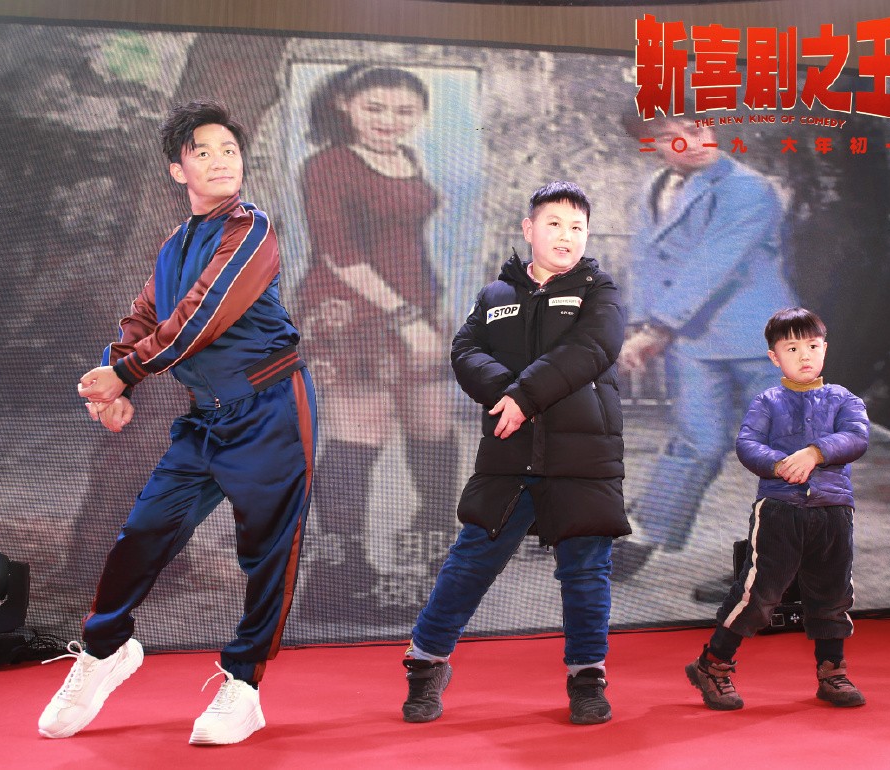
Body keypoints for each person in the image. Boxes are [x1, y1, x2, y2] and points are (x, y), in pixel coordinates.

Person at [37, 100, 317, 746]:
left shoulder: (251, 229)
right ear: (176, 169)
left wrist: (127, 374)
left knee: (268, 553)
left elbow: (201, 316)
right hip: (205, 419)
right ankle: (105, 649)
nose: (221, 162)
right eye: (203, 152)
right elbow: (144, 316)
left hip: (271, 409)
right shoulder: (174, 245)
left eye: (230, 150)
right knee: (143, 533)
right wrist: (111, 381)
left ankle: (243, 686)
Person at [400, 181, 630, 726]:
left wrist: (523, 397)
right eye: (554, 224)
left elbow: (592, 348)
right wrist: (510, 395)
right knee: (469, 562)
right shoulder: (494, 295)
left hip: (585, 455)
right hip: (509, 451)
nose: (566, 236)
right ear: (529, 229)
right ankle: (425, 666)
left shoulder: (601, 291)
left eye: (577, 227)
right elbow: (464, 349)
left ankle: (587, 678)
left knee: (586, 570)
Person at [296, 65, 457, 616]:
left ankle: (433, 549)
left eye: (405, 111)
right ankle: (335, 583)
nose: (390, 121)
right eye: (375, 108)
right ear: (345, 104)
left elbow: (410, 243)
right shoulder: (327, 165)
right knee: (360, 433)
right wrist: (407, 317)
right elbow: (339, 255)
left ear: (422, 115)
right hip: (350, 313)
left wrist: (434, 306)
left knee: (432, 424)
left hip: (414, 307)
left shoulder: (407, 158)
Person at [615, 115, 798, 593]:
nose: (690, 142)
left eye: (697, 129)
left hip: (759, 339)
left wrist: (658, 328)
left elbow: (714, 262)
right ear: (650, 145)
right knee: (697, 441)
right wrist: (642, 324)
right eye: (669, 136)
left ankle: (780, 571)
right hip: (693, 339)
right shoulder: (656, 186)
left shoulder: (747, 188)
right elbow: (646, 259)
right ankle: (643, 535)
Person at [686, 307, 869, 710]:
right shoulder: (767, 401)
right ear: (774, 357)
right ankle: (712, 665)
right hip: (780, 511)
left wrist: (816, 452)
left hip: (834, 510)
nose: (805, 356)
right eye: (792, 348)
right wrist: (779, 464)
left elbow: (857, 437)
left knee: (833, 592)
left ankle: (832, 672)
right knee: (760, 594)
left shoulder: (844, 399)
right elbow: (747, 445)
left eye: (813, 346)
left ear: (825, 349)